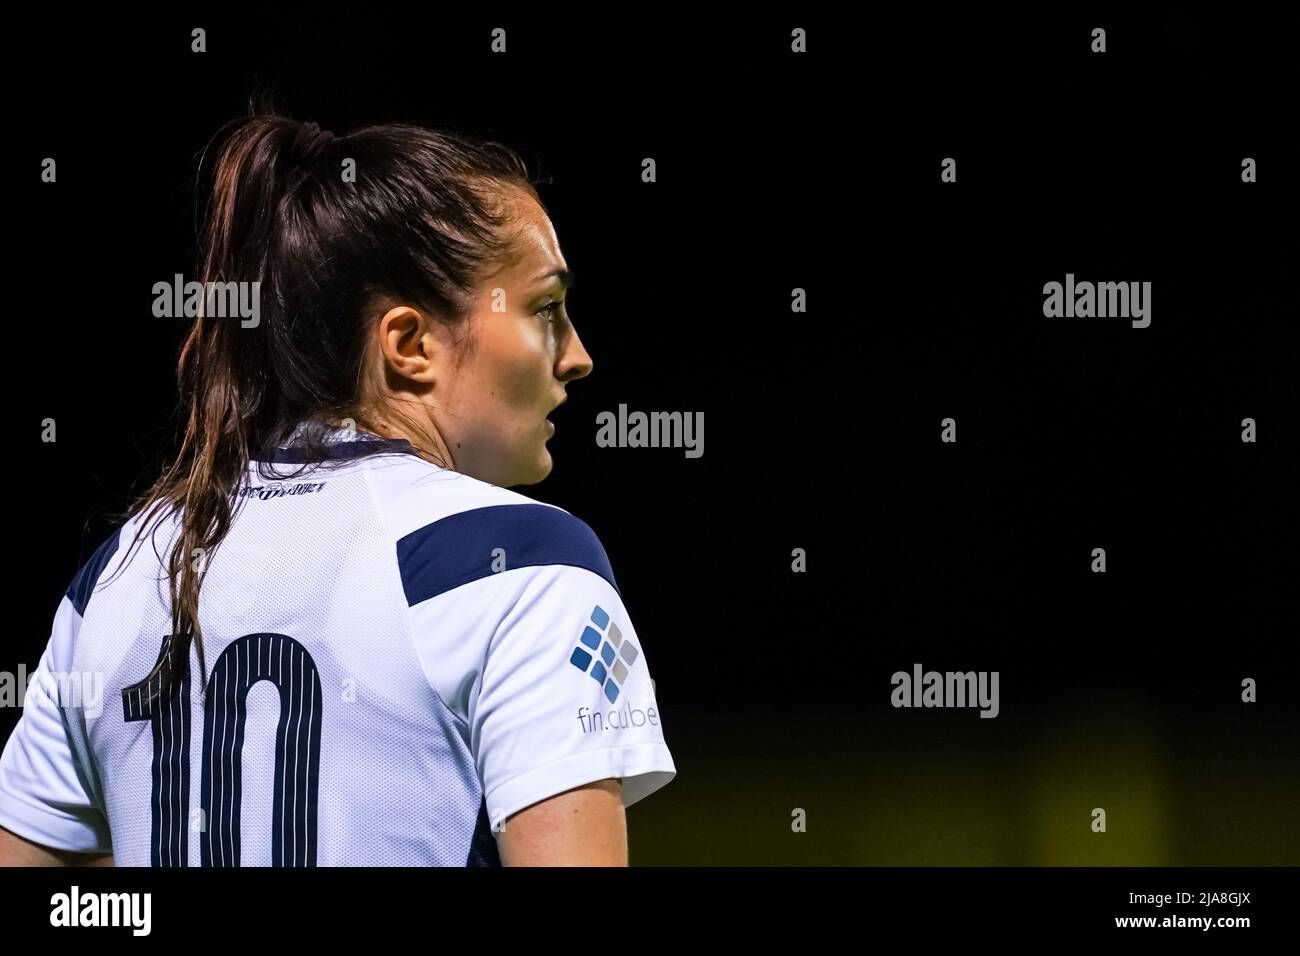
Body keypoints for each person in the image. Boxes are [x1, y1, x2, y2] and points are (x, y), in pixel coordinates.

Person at [0, 112, 676, 866]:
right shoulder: (526, 565)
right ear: (410, 345)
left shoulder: (121, 574)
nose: (577, 355)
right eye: (546, 308)